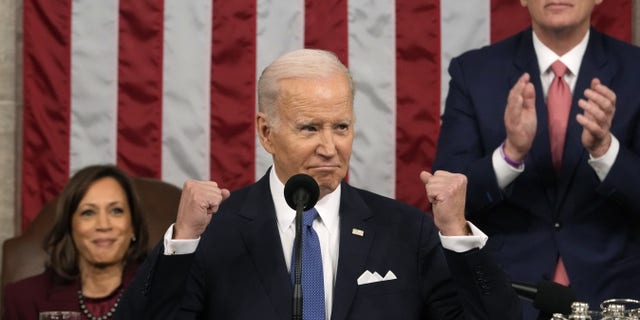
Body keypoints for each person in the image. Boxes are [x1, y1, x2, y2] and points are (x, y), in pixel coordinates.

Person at [116, 48, 521, 320]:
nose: (330, 147)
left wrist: (455, 232)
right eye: (309, 128)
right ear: (266, 132)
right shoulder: (215, 233)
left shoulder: (406, 231)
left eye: (341, 126)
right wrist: (183, 239)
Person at [433, 0, 640, 319]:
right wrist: (510, 154)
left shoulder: (635, 70)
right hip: (508, 293)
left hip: (613, 296)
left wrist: (604, 150)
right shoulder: (473, 72)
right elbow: (446, 199)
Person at [3, 165, 149, 320]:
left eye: (116, 211)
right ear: (70, 226)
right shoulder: (24, 299)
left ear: (133, 226)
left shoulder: (164, 294)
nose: (104, 225)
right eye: (88, 212)